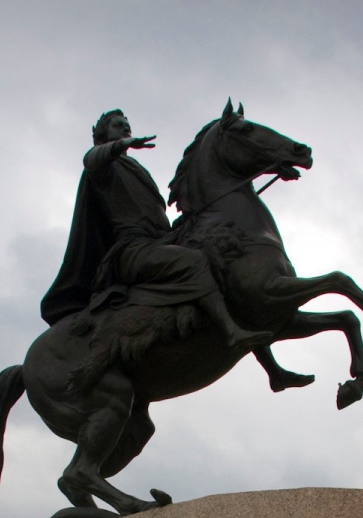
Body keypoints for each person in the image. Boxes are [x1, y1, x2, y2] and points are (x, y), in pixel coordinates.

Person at [40, 109, 271, 350]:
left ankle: (272, 368)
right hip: (132, 250)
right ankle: (231, 331)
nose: (125, 128)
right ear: (102, 135)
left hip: (159, 241)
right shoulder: (104, 168)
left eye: (127, 125)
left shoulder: (135, 169)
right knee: (195, 261)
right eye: (118, 125)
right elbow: (91, 160)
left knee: (224, 259)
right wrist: (122, 144)